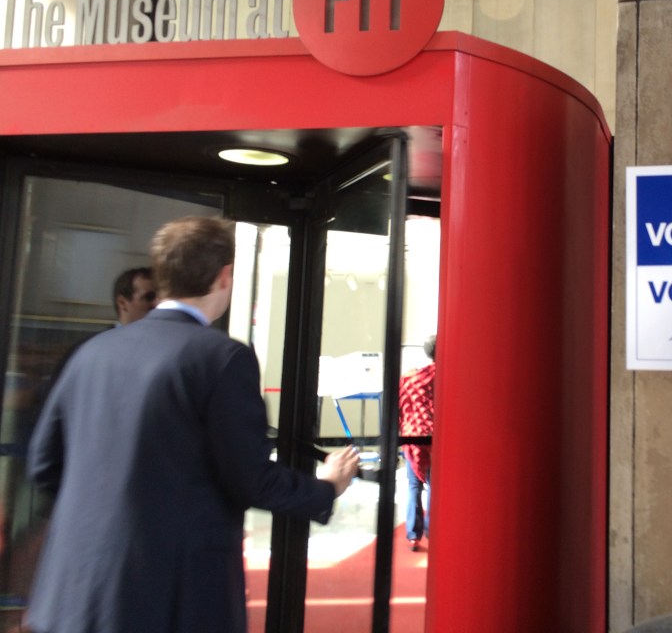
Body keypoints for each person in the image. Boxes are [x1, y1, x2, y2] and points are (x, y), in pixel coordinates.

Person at [24, 216, 360, 633]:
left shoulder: (92, 352)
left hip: (71, 594)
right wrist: (326, 486)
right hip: (167, 600)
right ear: (224, 276)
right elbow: (249, 477)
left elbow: (44, 463)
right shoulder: (221, 358)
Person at [399, 334, 436, 552]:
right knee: (433, 485)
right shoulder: (441, 375)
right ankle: (432, 531)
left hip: (410, 436)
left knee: (413, 485)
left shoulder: (409, 377)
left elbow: (401, 406)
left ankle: (413, 535)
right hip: (432, 437)